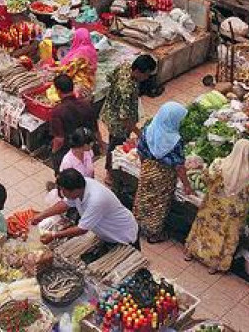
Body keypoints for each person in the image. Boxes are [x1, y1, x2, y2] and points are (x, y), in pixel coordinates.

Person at [184, 140, 249, 274]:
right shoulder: (247, 173)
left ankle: (191, 253)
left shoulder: (219, 164)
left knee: (203, 229)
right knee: (223, 237)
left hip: (212, 206)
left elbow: (206, 178)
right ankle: (213, 266)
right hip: (233, 213)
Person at [33, 169, 139, 247]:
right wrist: (41, 216)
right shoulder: (81, 185)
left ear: (74, 190)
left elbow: (82, 229)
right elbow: (65, 204)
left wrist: (53, 235)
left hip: (122, 235)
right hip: (106, 233)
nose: (61, 193)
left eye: (63, 190)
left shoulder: (96, 200)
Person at [133, 101, 191, 243]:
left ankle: (138, 225)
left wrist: (145, 168)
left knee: (143, 198)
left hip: (147, 169)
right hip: (163, 177)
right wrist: (187, 185)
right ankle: (154, 234)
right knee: (159, 204)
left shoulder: (148, 130)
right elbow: (179, 166)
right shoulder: (175, 141)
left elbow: (140, 151)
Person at [100, 54, 157, 182]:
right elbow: (124, 118)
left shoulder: (124, 66)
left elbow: (110, 78)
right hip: (118, 122)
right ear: (138, 71)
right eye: (146, 74)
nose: (147, 78)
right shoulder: (126, 89)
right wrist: (138, 132)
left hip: (110, 110)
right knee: (116, 146)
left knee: (115, 142)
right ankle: (110, 173)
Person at [50, 74, 101, 172]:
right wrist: (101, 144)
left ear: (58, 91)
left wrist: (54, 151)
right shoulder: (86, 105)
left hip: (67, 151)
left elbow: (59, 139)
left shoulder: (57, 111)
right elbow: (95, 129)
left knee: (66, 178)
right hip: (85, 149)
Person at [59, 28, 98, 95]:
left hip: (81, 79)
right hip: (90, 77)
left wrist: (56, 69)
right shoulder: (91, 47)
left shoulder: (81, 51)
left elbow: (71, 68)